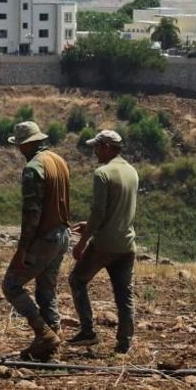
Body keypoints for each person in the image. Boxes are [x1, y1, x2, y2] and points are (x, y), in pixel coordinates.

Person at [2, 121, 71, 361]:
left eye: (20, 145)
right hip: (63, 234)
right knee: (46, 289)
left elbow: (32, 213)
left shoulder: (33, 168)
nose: (19, 150)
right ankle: (54, 340)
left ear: (27, 145)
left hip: (44, 237)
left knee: (11, 285)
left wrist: (23, 248)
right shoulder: (59, 161)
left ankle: (43, 333)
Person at [68, 130, 139, 354]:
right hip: (127, 245)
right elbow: (114, 211)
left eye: (97, 147)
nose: (95, 151)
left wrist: (82, 242)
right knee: (124, 293)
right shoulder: (132, 171)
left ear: (107, 146)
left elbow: (99, 212)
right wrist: (89, 224)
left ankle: (88, 331)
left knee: (77, 280)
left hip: (104, 245)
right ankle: (124, 342)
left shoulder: (102, 173)